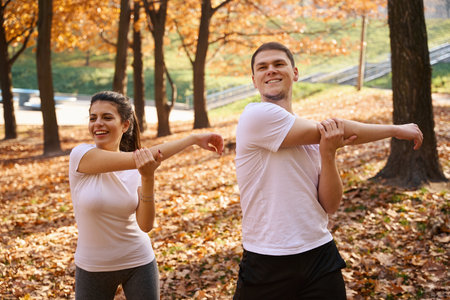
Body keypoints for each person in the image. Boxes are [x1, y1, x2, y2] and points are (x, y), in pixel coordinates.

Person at [233, 42, 423, 299]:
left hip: (319, 256)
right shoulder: (255, 116)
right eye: (262, 67)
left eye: (279, 64)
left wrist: (328, 153)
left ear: (295, 73)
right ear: (254, 80)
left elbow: (330, 204)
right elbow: (341, 128)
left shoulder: (311, 137)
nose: (271, 71)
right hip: (267, 261)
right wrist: (395, 130)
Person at [68, 91, 223, 300]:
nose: (98, 124)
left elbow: (145, 225)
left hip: (138, 261)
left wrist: (148, 178)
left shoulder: (138, 168)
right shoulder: (81, 156)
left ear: (125, 125)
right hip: (93, 266)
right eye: (93, 117)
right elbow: (144, 156)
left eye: (107, 117)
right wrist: (192, 139)